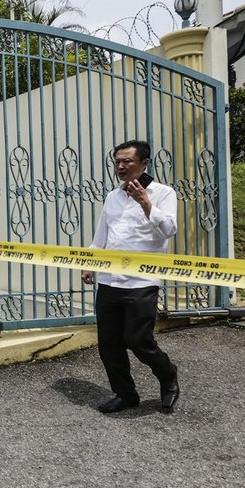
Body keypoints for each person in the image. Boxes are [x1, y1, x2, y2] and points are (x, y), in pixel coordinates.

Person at [83, 139, 180, 414]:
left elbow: (169, 230)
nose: (121, 166)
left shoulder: (164, 193)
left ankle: (168, 375)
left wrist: (146, 203)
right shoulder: (112, 197)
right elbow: (101, 236)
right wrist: (90, 262)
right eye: (117, 162)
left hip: (142, 282)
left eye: (127, 161)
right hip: (110, 280)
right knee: (109, 344)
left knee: (139, 341)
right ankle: (125, 394)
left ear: (144, 163)